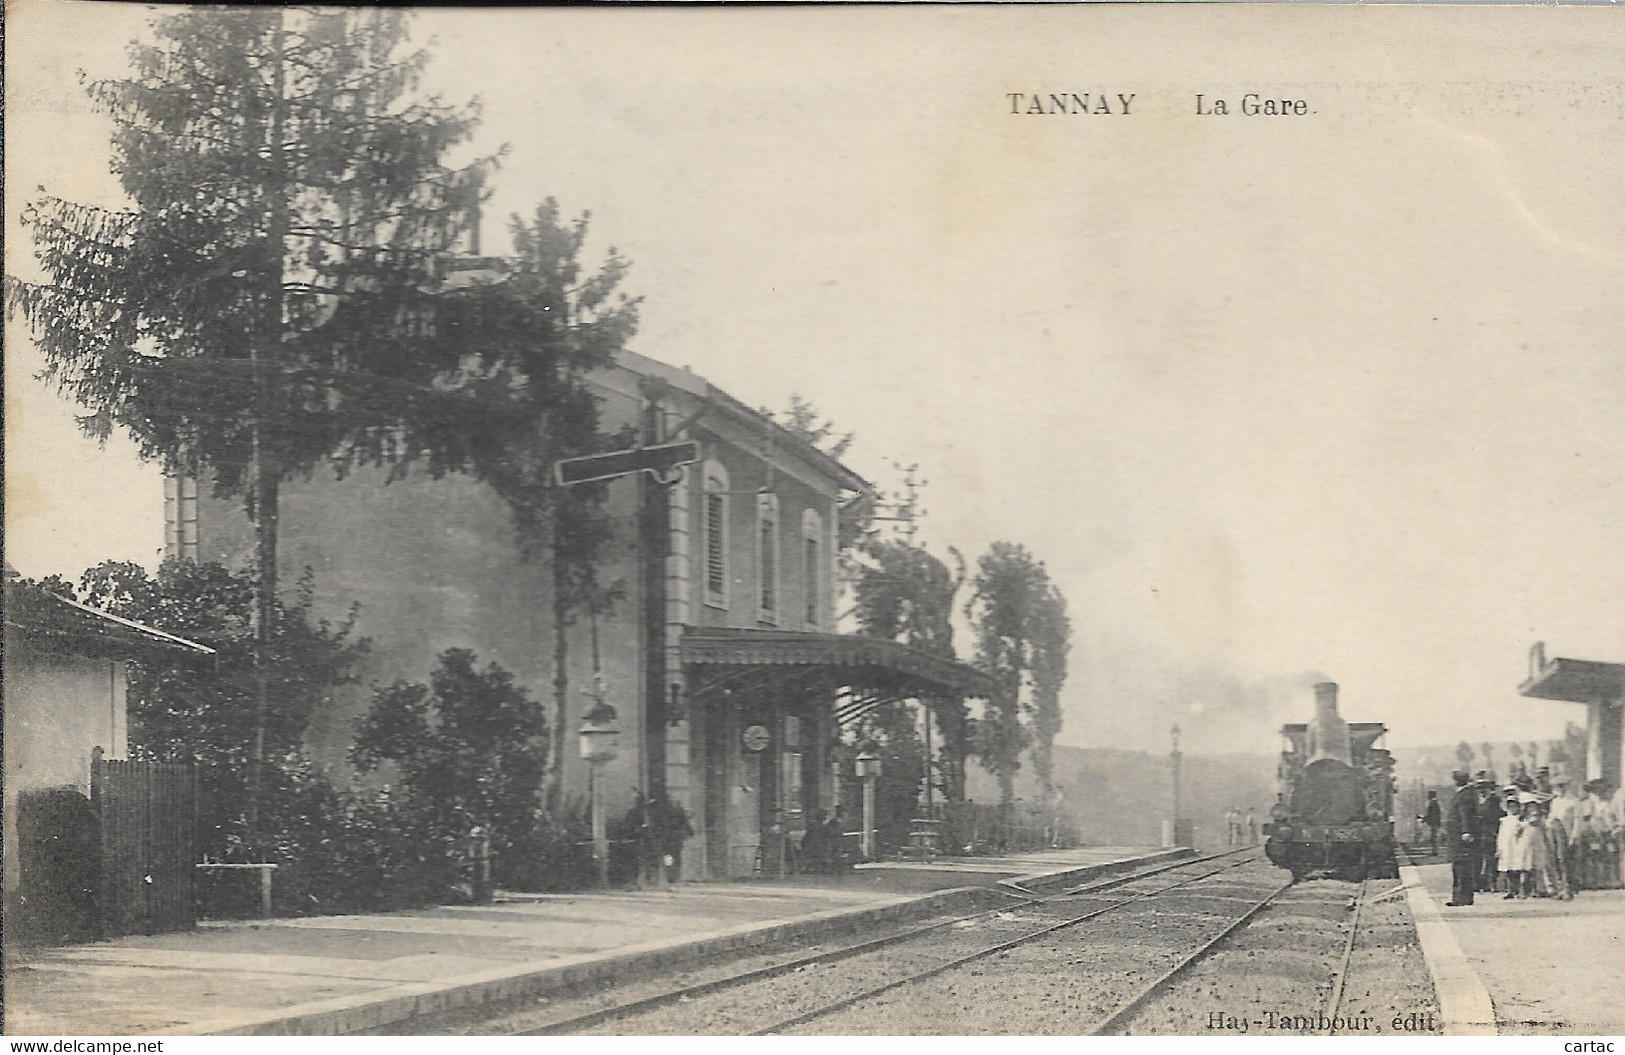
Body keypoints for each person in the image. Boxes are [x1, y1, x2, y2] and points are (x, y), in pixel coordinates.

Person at [1444, 770, 1478, 906]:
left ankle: (1462, 897)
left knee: (1461, 867)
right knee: (1459, 866)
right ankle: (1461, 897)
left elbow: (1465, 815)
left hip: (1460, 837)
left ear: (1457, 781)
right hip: (1456, 836)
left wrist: (1466, 831)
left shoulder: (1464, 796)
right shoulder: (1464, 794)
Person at [1474, 775, 1504, 893]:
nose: (1481, 790)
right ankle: (1478, 884)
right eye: (1479, 788)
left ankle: (1492, 883)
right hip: (1478, 834)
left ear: (1489, 788)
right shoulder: (1476, 801)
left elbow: (1497, 814)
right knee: (1477, 860)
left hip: (1490, 833)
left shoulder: (1494, 800)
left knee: (1491, 860)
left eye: (1484, 788)